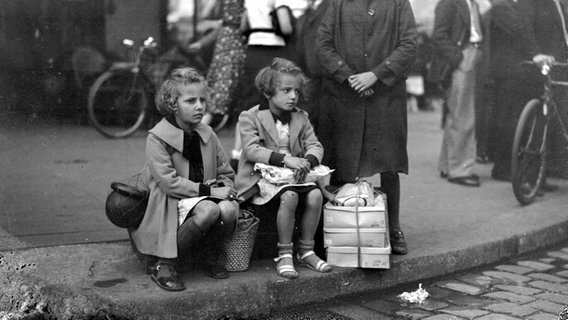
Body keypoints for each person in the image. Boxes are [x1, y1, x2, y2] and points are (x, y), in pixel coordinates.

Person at [315, 0, 418, 255]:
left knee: (389, 163)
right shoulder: (338, 4)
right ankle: (339, 225)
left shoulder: (397, 3)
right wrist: (348, 75)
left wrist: (376, 74)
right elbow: (322, 43)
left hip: (386, 95)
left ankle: (393, 227)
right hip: (344, 95)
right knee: (342, 160)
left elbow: (409, 44)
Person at [129, 67, 239, 291]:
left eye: (202, 100)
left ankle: (206, 254)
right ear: (173, 105)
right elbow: (168, 183)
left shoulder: (208, 133)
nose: (199, 106)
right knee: (209, 209)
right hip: (170, 203)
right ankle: (164, 263)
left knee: (229, 209)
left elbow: (226, 172)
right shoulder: (158, 138)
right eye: (190, 101)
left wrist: (226, 189)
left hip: (203, 197)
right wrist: (209, 192)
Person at [235, 58, 332, 279]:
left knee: (316, 195)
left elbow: (315, 145)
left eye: (296, 91)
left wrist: (308, 160)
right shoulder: (250, 116)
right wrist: (285, 160)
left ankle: (306, 251)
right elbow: (251, 150)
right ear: (268, 92)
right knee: (289, 196)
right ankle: (285, 253)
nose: (293, 96)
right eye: (286, 90)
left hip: (294, 171)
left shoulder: (301, 116)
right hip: (264, 175)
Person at [489, 0, 568, 183]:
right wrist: (536, 54)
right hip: (539, 66)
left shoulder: (559, 4)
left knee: (550, 120)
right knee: (534, 122)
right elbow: (525, 30)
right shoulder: (532, 3)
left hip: (557, 66)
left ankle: (540, 175)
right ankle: (530, 175)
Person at [430, 0, 484, 187]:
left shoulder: (472, 3)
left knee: (457, 115)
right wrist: (459, 59)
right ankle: (460, 170)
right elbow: (438, 36)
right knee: (464, 117)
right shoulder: (449, 3)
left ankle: (448, 166)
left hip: (469, 55)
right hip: (460, 59)